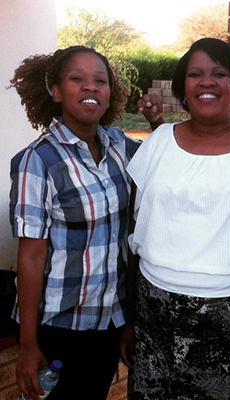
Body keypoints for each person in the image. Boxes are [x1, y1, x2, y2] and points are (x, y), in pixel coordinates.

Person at [119, 38, 230, 400]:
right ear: (183, 88)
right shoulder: (158, 142)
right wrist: (131, 319)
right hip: (156, 317)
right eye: (195, 74)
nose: (206, 81)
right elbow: (136, 231)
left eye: (219, 73)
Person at [9, 45, 141, 400]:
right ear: (55, 91)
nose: (90, 87)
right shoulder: (37, 161)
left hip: (108, 322)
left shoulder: (119, 147)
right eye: (77, 79)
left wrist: (126, 319)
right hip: (58, 328)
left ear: (110, 93)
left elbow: (167, 161)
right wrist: (27, 344)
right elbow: (32, 256)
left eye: (100, 80)